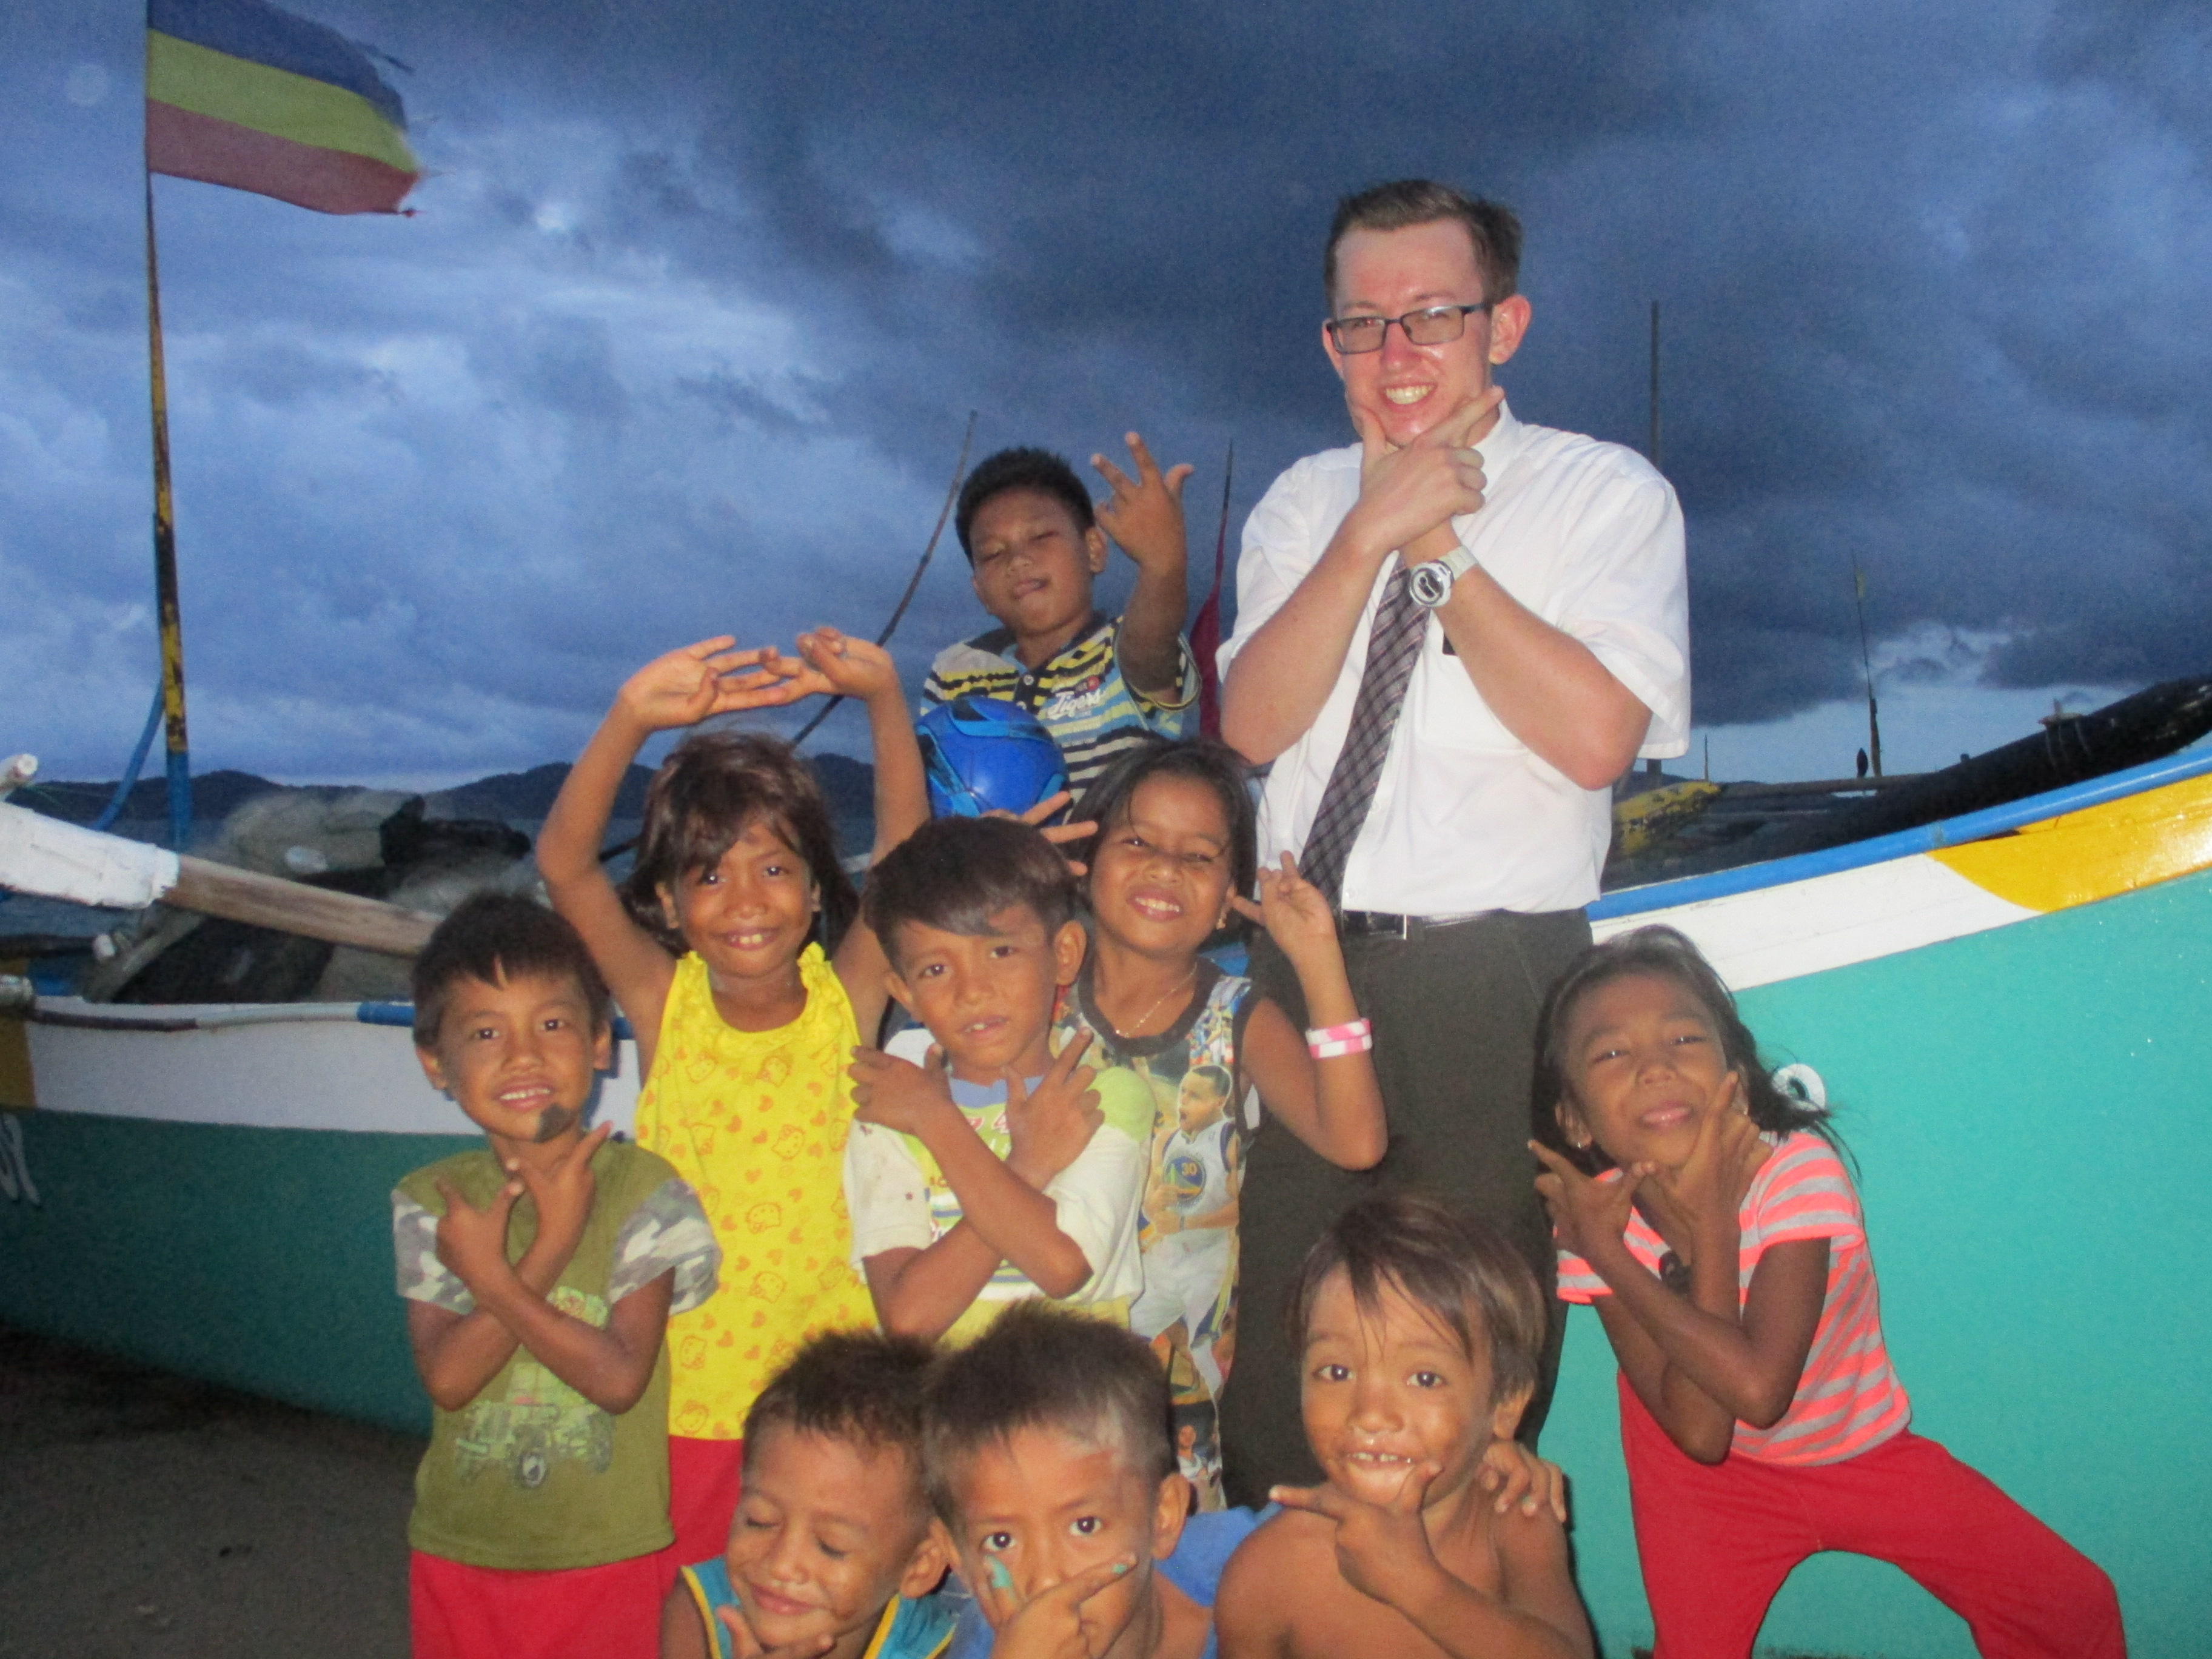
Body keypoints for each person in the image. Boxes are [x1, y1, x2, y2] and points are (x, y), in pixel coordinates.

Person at [1214, 178, 1691, 1501]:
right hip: (1308, 970)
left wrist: (1433, 542)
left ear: (1507, 326)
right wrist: (1367, 526)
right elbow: (1252, 722)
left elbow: (1598, 741)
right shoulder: (1301, 507)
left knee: (1473, 1349)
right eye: (1364, 325)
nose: (1398, 353)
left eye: (1433, 315)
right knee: (1288, 1336)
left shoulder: (1608, 495)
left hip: (1499, 980)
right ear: (1329, 346)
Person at [1528, 926, 2125, 1659]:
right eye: (1613, 1053)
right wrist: (1609, 1249)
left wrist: (1687, 1231)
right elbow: (1701, 1433)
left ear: (1736, 1079)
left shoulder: (1795, 1174)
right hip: (1703, 1488)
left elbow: (1757, 1387)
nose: (1655, 1068)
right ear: (1574, 1119)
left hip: (1857, 1450)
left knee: (2070, 1602)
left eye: (1683, 1039)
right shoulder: (1597, 1219)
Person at [538, 630, 930, 1563]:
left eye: (775, 867)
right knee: (699, 1616)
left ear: (815, 889)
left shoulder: (849, 999)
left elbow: (908, 857)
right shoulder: (661, 1005)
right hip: (693, 1404)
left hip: (842, 1400)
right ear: (669, 905)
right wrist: (630, 715)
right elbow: (564, 866)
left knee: (829, 1608)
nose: (745, 898)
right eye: (709, 874)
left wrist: (885, 701)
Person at [1051, 737, 1387, 1506]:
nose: (1166, 870)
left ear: (1231, 887)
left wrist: (1318, 961)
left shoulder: (1237, 1020)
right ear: (1086, 857)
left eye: (1199, 857)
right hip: (1033, 1377)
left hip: (1178, 1408)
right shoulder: (1033, 992)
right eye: (1137, 843)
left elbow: (1357, 1142)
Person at [394, 894, 723, 1659]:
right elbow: (447, 1378)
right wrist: (548, 1250)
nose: (524, 1057)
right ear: (436, 1063)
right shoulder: (429, 1201)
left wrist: (504, 1278)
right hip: (460, 1547)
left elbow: (617, 1377)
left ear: (601, 1043)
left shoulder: (646, 1191)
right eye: (484, 1032)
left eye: (552, 1024)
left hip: (608, 1550)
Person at [1214, 1194, 1590, 1659]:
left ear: (1505, 1404)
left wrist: (1416, 1587)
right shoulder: (1269, 1572)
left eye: (1424, 1379)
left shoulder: (1513, 1521)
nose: (1371, 1414)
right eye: (1336, 1372)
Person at [842, 815, 1152, 1344]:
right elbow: (909, 1319)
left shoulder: (1101, 1098)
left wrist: (934, 1122)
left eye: (1000, 951)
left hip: (1074, 1416)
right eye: (936, 970)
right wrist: (1024, 1162)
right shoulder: (890, 1116)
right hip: (937, 1422)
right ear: (904, 992)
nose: (973, 991)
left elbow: (1060, 1267)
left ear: (1064, 954)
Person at [927, 1302, 1257, 1659]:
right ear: (956, 1554)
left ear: (1162, 1516)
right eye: (1001, 1540)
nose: (1046, 1582)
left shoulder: (1257, 1566)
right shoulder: (982, 1649)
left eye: (1085, 1525)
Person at [923, 440, 1199, 800]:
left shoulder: (1120, 652)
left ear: (1094, 551)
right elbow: (927, 779)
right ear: (980, 592)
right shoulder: (952, 672)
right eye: (993, 553)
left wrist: (1162, 563)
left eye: (1040, 537)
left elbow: (1152, 643)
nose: (1018, 560)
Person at [660, 1330, 961, 1659]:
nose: (782, 1565)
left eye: (831, 1546)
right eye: (760, 1521)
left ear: (919, 1566)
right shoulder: (700, 1610)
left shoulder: (937, 1649)